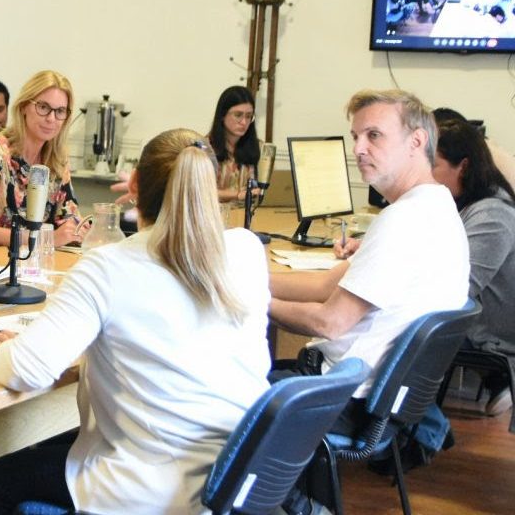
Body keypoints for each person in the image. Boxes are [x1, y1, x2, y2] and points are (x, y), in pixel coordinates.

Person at [0, 129, 271, 514]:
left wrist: (8, 348)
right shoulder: (247, 249)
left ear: (133, 184)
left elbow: (28, 368)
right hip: (236, 478)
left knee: (5, 476)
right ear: (208, 185)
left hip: (149, 490)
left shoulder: (108, 267)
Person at [270, 89, 469, 429]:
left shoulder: (405, 219)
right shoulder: (434, 207)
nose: (358, 149)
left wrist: (250, 298)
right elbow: (323, 285)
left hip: (342, 399)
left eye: (373, 136)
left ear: (416, 141)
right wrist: (241, 273)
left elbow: (328, 322)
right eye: (356, 137)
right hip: (369, 395)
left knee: (213, 386)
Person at [433, 119, 515, 417]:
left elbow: (459, 289)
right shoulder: (466, 202)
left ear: (463, 167)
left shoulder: (492, 213)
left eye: (433, 165)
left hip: (494, 332)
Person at [0, 70, 83, 248]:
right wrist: (44, 239)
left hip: (38, 264)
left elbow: (67, 218)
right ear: (24, 107)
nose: (51, 118)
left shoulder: (57, 158)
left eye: (60, 111)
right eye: (43, 107)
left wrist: (77, 229)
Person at [206, 85, 261, 202]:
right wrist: (238, 194)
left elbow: (255, 187)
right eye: (238, 115)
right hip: (213, 215)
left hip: (243, 215)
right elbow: (201, 192)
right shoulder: (205, 148)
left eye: (249, 116)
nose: (244, 122)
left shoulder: (255, 146)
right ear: (222, 115)